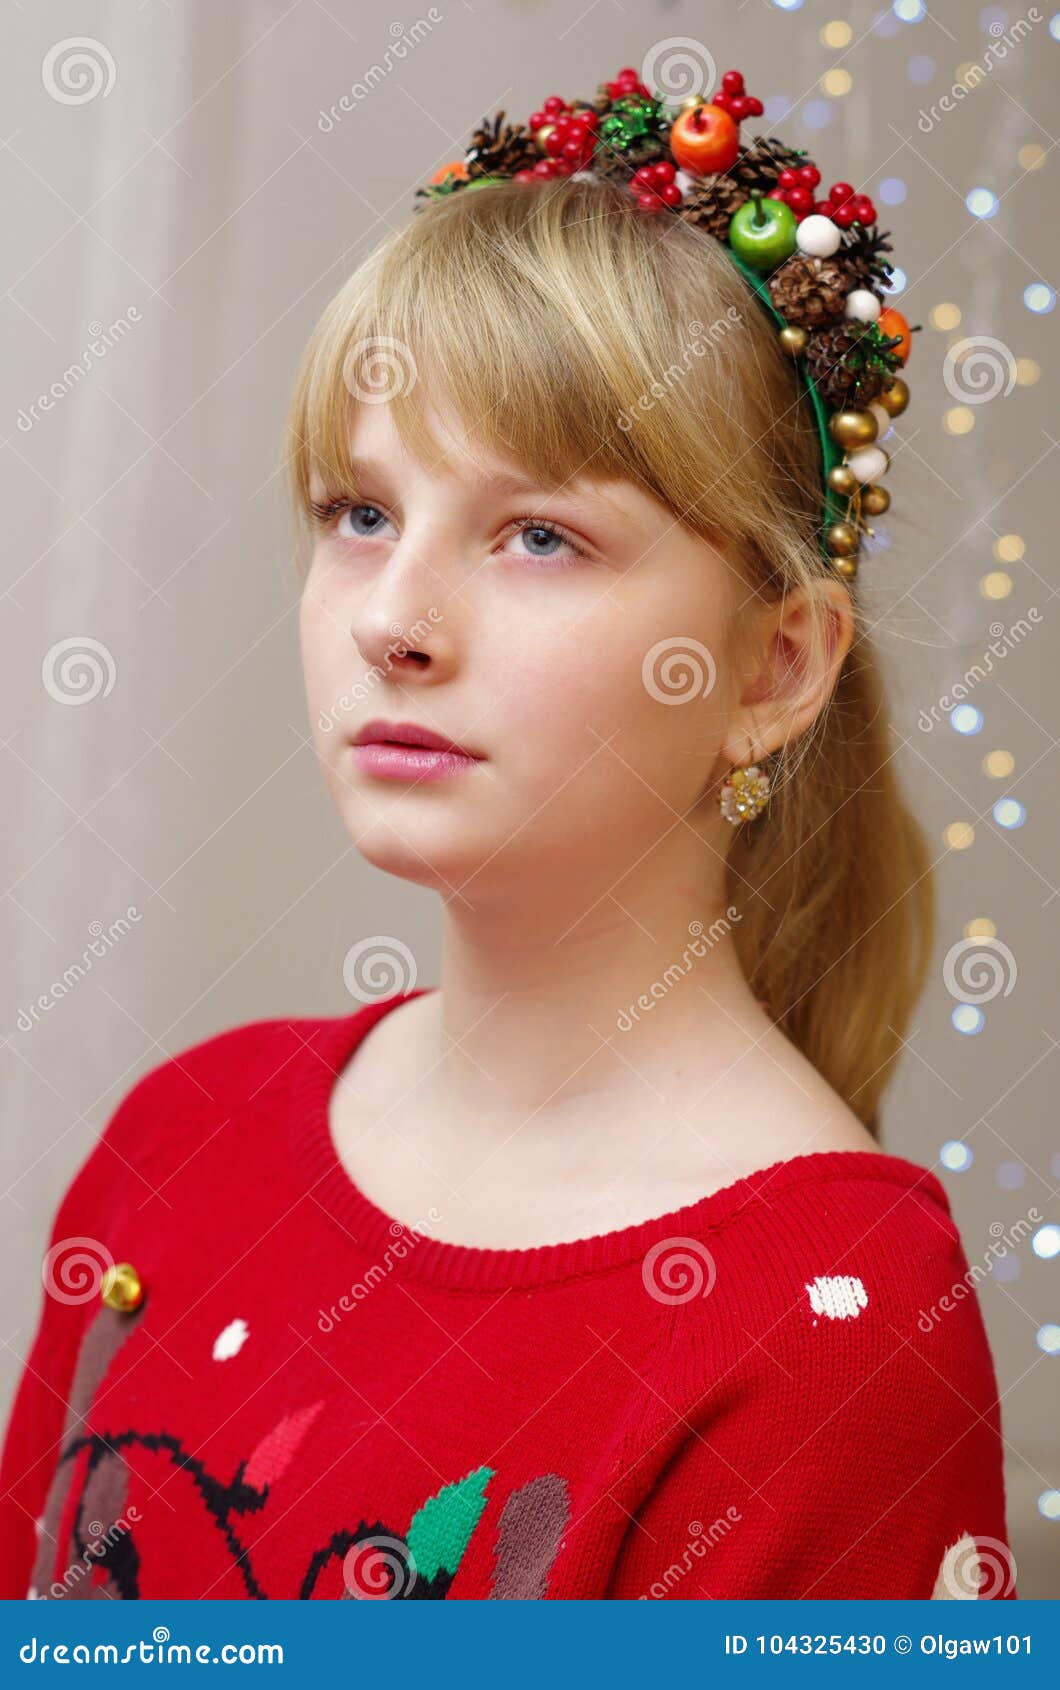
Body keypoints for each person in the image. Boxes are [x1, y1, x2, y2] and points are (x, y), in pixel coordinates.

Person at [0, 75, 1015, 1600]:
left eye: (540, 535)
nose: (395, 621)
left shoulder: (839, 1324)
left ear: (772, 668)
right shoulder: (183, 1136)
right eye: (358, 512)